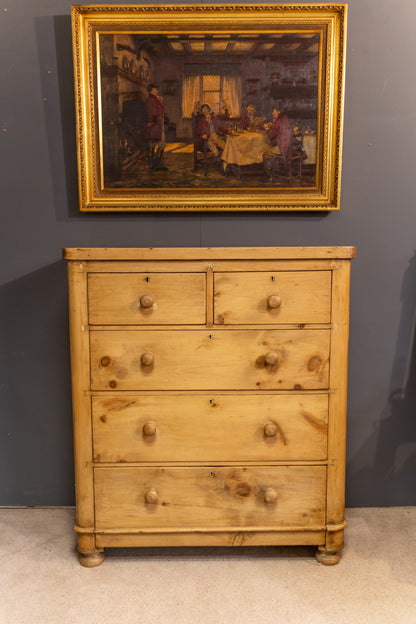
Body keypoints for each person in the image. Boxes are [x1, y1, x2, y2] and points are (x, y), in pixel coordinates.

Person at [263, 107, 293, 182]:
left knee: (266, 154)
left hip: (282, 147)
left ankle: (270, 177)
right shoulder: (285, 118)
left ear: (278, 112)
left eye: (274, 112)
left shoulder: (278, 120)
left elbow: (271, 136)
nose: (273, 113)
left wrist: (267, 130)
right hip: (289, 146)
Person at [145, 83, 168, 171]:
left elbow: (158, 111)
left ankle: (156, 164)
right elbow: (152, 112)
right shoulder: (151, 99)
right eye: (156, 88)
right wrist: (153, 121)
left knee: (156, 143)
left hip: (157, 123)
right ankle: (154, 164)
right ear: (152, 90)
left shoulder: (155, 98)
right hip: (155, 124)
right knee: (156, 143)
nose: (157, 90)